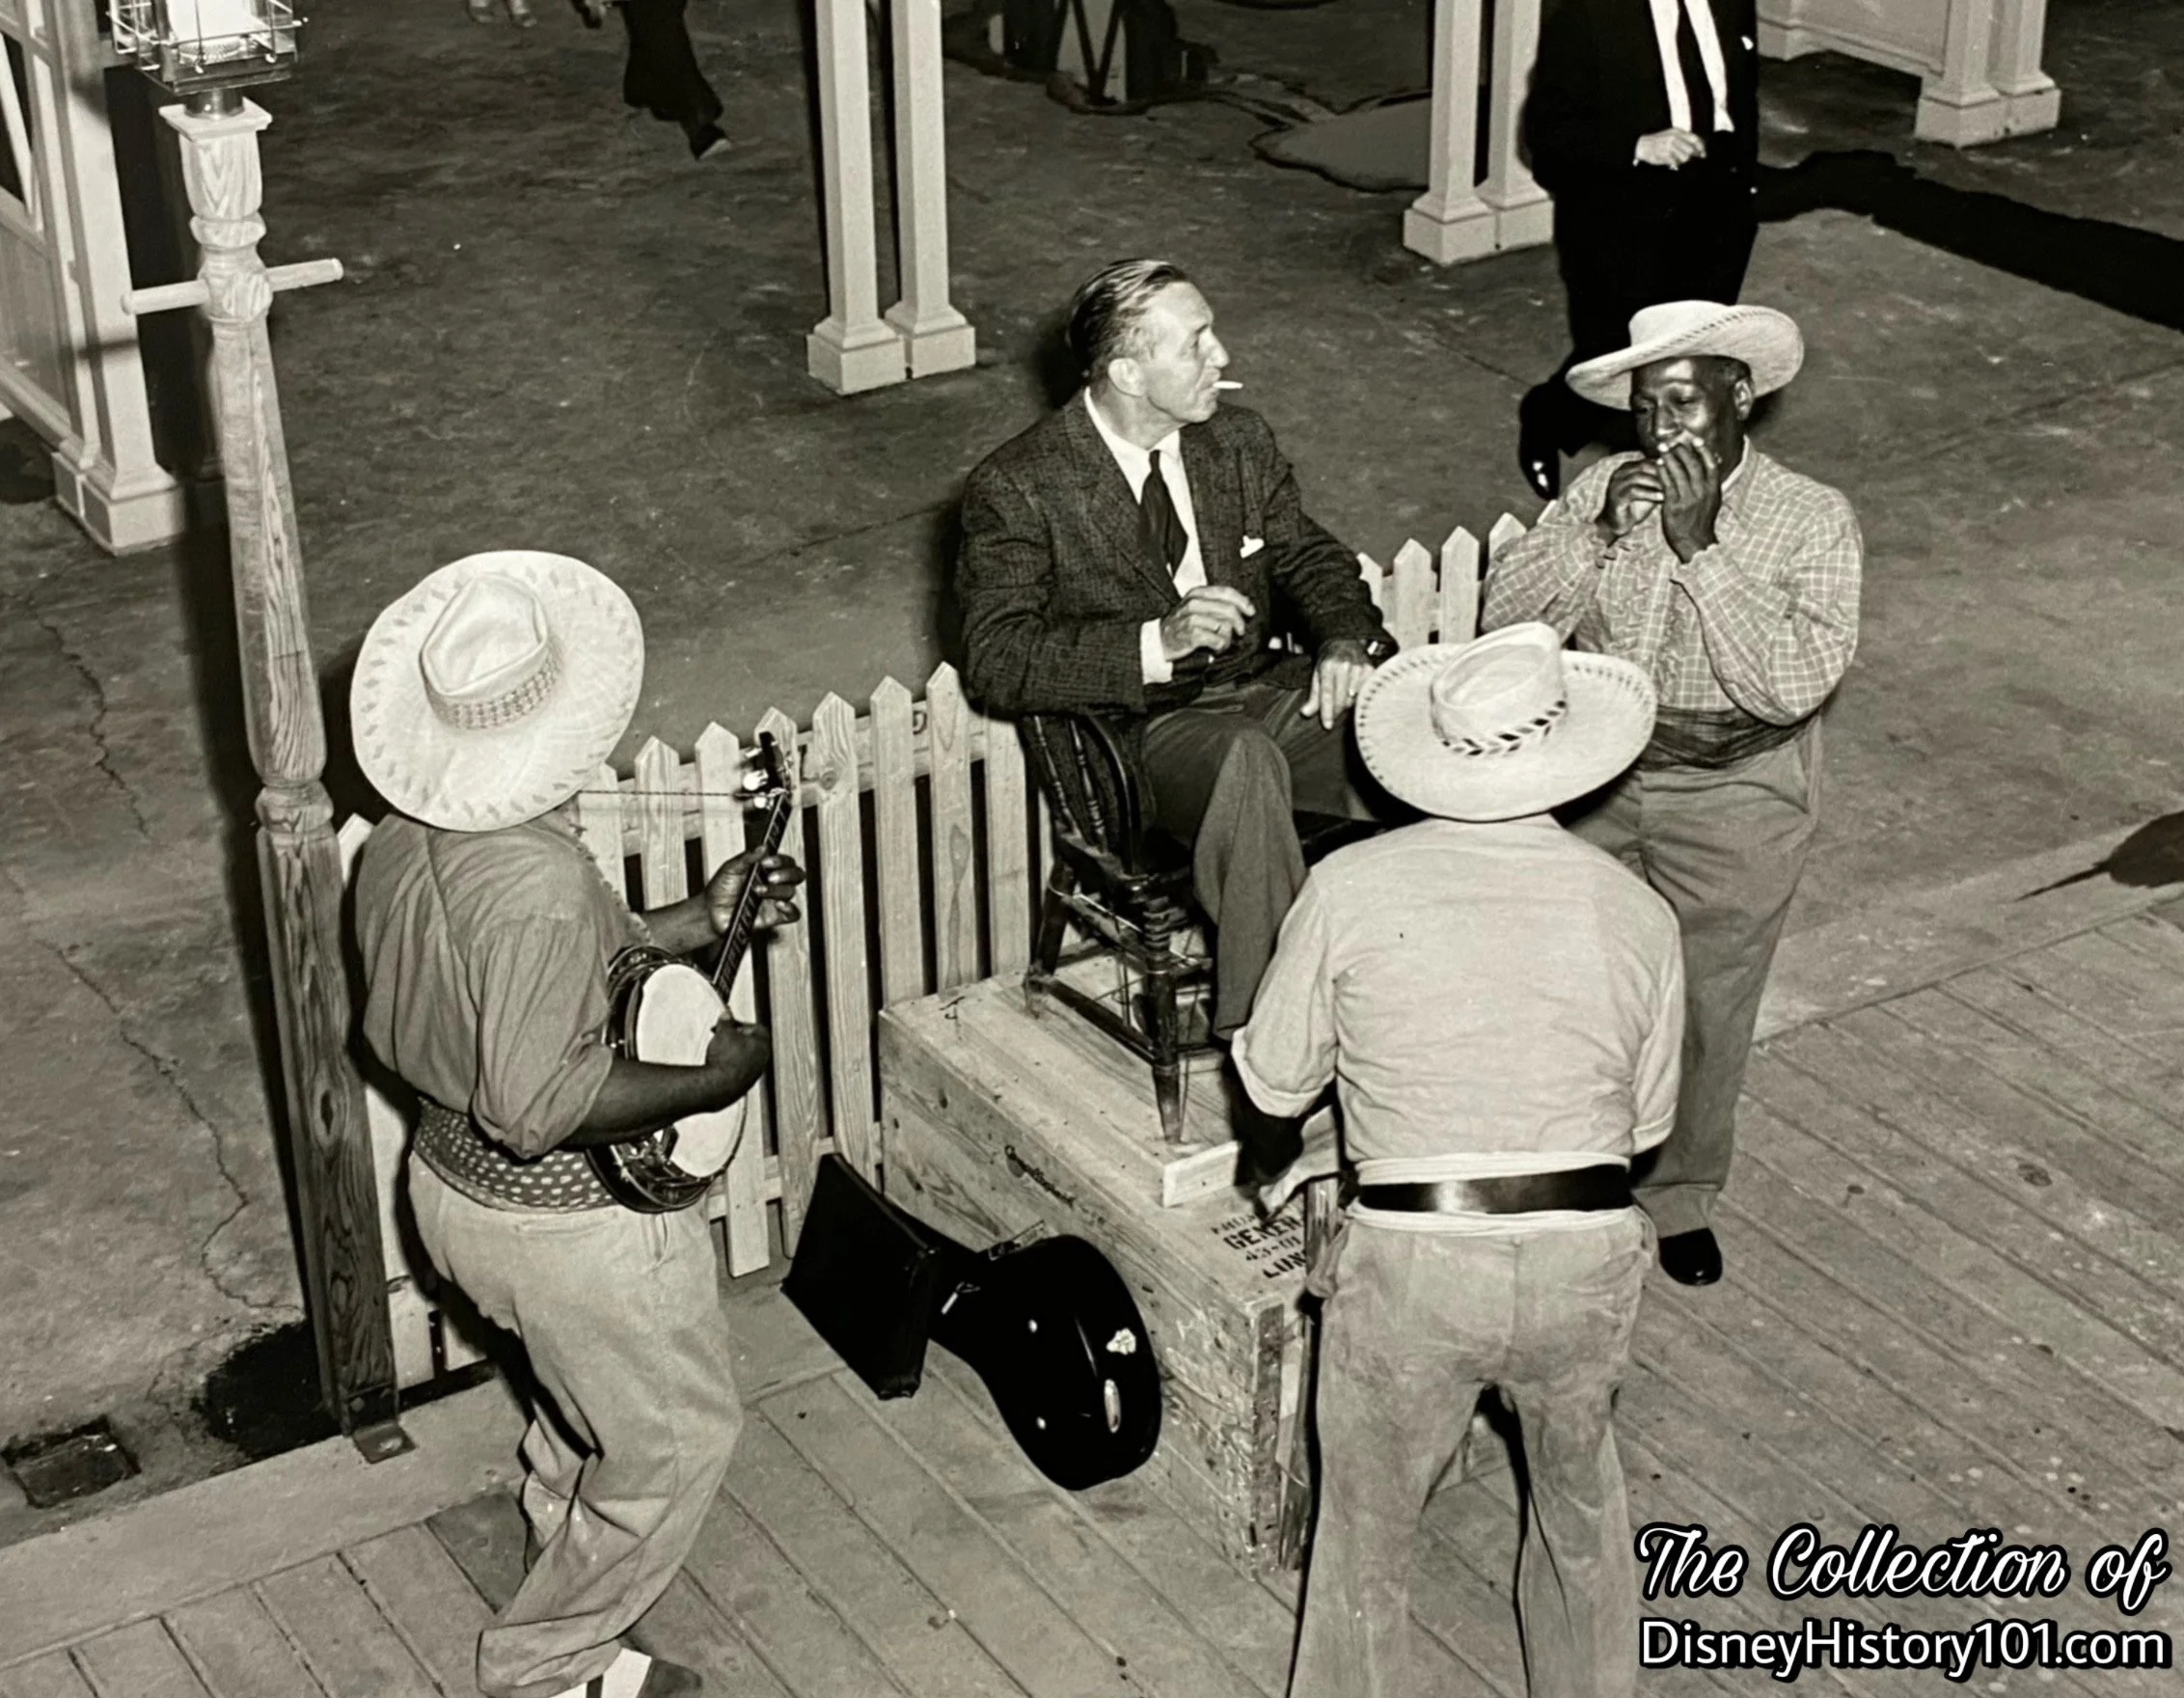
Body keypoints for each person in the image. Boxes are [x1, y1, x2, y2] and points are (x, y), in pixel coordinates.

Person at [351, 551, 804, 1698]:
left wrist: (694, 918)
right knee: (678, 1437)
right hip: (572, 1229)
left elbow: (517, 982)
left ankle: (562, 1533)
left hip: (450, 1194)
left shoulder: (404, 834)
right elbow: (537, 1102)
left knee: (582, 1388)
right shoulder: (540, 885)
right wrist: (716, 1076)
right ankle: (547, 1665)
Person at [1234, 623, 1681, 1698]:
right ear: (1564, 752)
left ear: (1437, 750)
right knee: (1581, 1511)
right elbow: (1641, 1130)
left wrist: (1314, 1147)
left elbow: (1273, 1089)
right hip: (1581, 1258)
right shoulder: (1637, 910)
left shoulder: (1348, 885)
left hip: (1413, 1266)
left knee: (1365, 1541)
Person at [956, 258, 1399, 1160]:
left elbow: (1309, 556)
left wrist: (1346, 642)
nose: (1221, 355)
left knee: (1411, 725)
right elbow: (997, 659)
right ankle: (1270, 1063)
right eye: (1195, 343)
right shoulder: (1021, 486)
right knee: (1244, 763)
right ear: (1127, 372)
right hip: (1136, 735)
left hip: (1260, 692)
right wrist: (1155, 641)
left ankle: (1415, 994)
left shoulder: (1235, 442)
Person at [1482, 300, 1862, 1287]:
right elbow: (1502, 621)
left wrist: (1701, 549)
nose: (1660, 430)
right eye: (1646, 408)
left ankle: (1678, 1194)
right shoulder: (1605, 487)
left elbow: (1787, 685)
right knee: (1568, 983)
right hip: (1597, 773)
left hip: (1737, 791)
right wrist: (1596, 534)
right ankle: (1560, 1169)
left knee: (1705, 1004)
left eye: (1683, 403)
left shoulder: (1811, 518)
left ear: (1741, 396)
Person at [1516, 0, 1761, 498]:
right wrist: (1637, 145)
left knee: (1695, 348)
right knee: (1620, 350)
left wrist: (1742, 186)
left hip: (1717, 201)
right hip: (1622, 205)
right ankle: (1549, 415)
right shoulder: (1590, 12)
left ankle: (1679, 476)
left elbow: (1739, 97)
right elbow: (1547, 132)